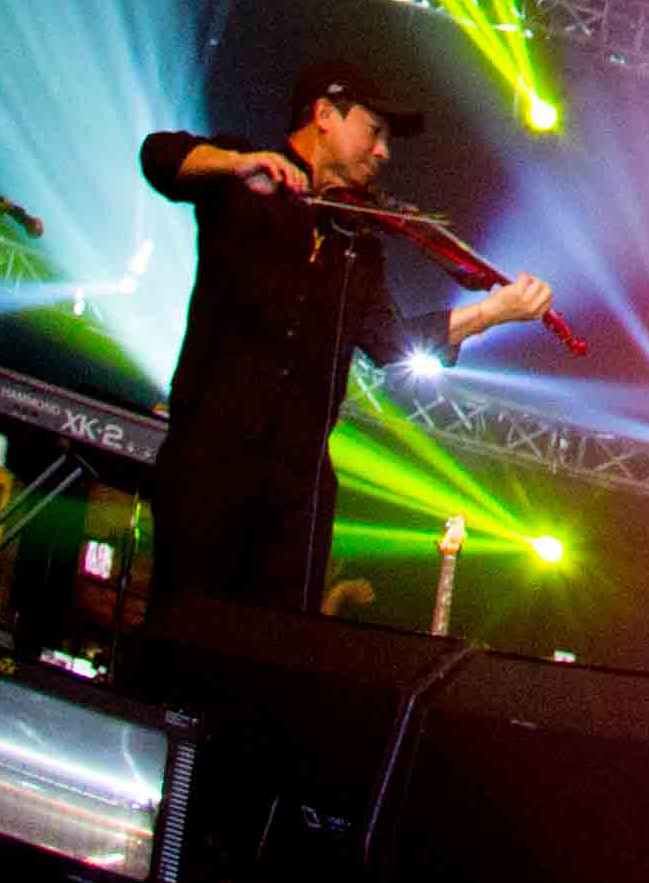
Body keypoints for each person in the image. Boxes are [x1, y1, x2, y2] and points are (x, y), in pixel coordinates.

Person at [135, 61, 546, 617]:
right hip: (208, 457)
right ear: (324, 114)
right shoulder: (244, 181)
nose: (383, 152)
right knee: (184, 621)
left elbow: (391, 343)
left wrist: (492, 312)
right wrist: (233, 162)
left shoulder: (357, 241)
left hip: (297, 487)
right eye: (374, 132)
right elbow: (159, 156)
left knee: (275, 642)